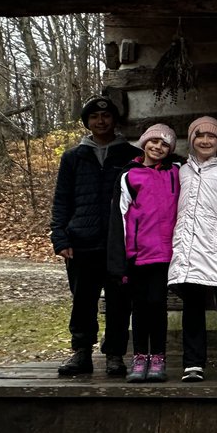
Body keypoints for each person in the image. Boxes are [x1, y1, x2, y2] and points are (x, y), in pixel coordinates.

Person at [51, 95, 137, 378]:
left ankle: (114, 354)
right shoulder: (73, 157)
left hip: (118, 244)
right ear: (87, 122)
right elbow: (61, 200)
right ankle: (81, 352)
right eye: (94, 118)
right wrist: (60, 238)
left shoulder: (130, 155)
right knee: (83, 299)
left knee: (119, 300)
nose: (101, 122)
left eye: (106, 116)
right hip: (81, 243)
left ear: (114, 119)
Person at [168, 116, 217, 383]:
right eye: (199, 135)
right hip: (188, 251)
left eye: (211, 136)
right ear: (191, 140)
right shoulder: (182, 171)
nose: (205, 140)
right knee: (192, 305)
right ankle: (193, 363)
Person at [108, 124, 181, 383]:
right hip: (137, 255)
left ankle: (158, 356)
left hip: (165, 254)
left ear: (170, 150)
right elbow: (121, 217)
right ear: (144, 143)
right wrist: (121, 261)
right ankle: (140, 356)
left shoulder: (177, 172)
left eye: (164, 144)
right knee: (139, 308)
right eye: (153, 142)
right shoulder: (129, 175)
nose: (158, 147)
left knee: (157, 306)